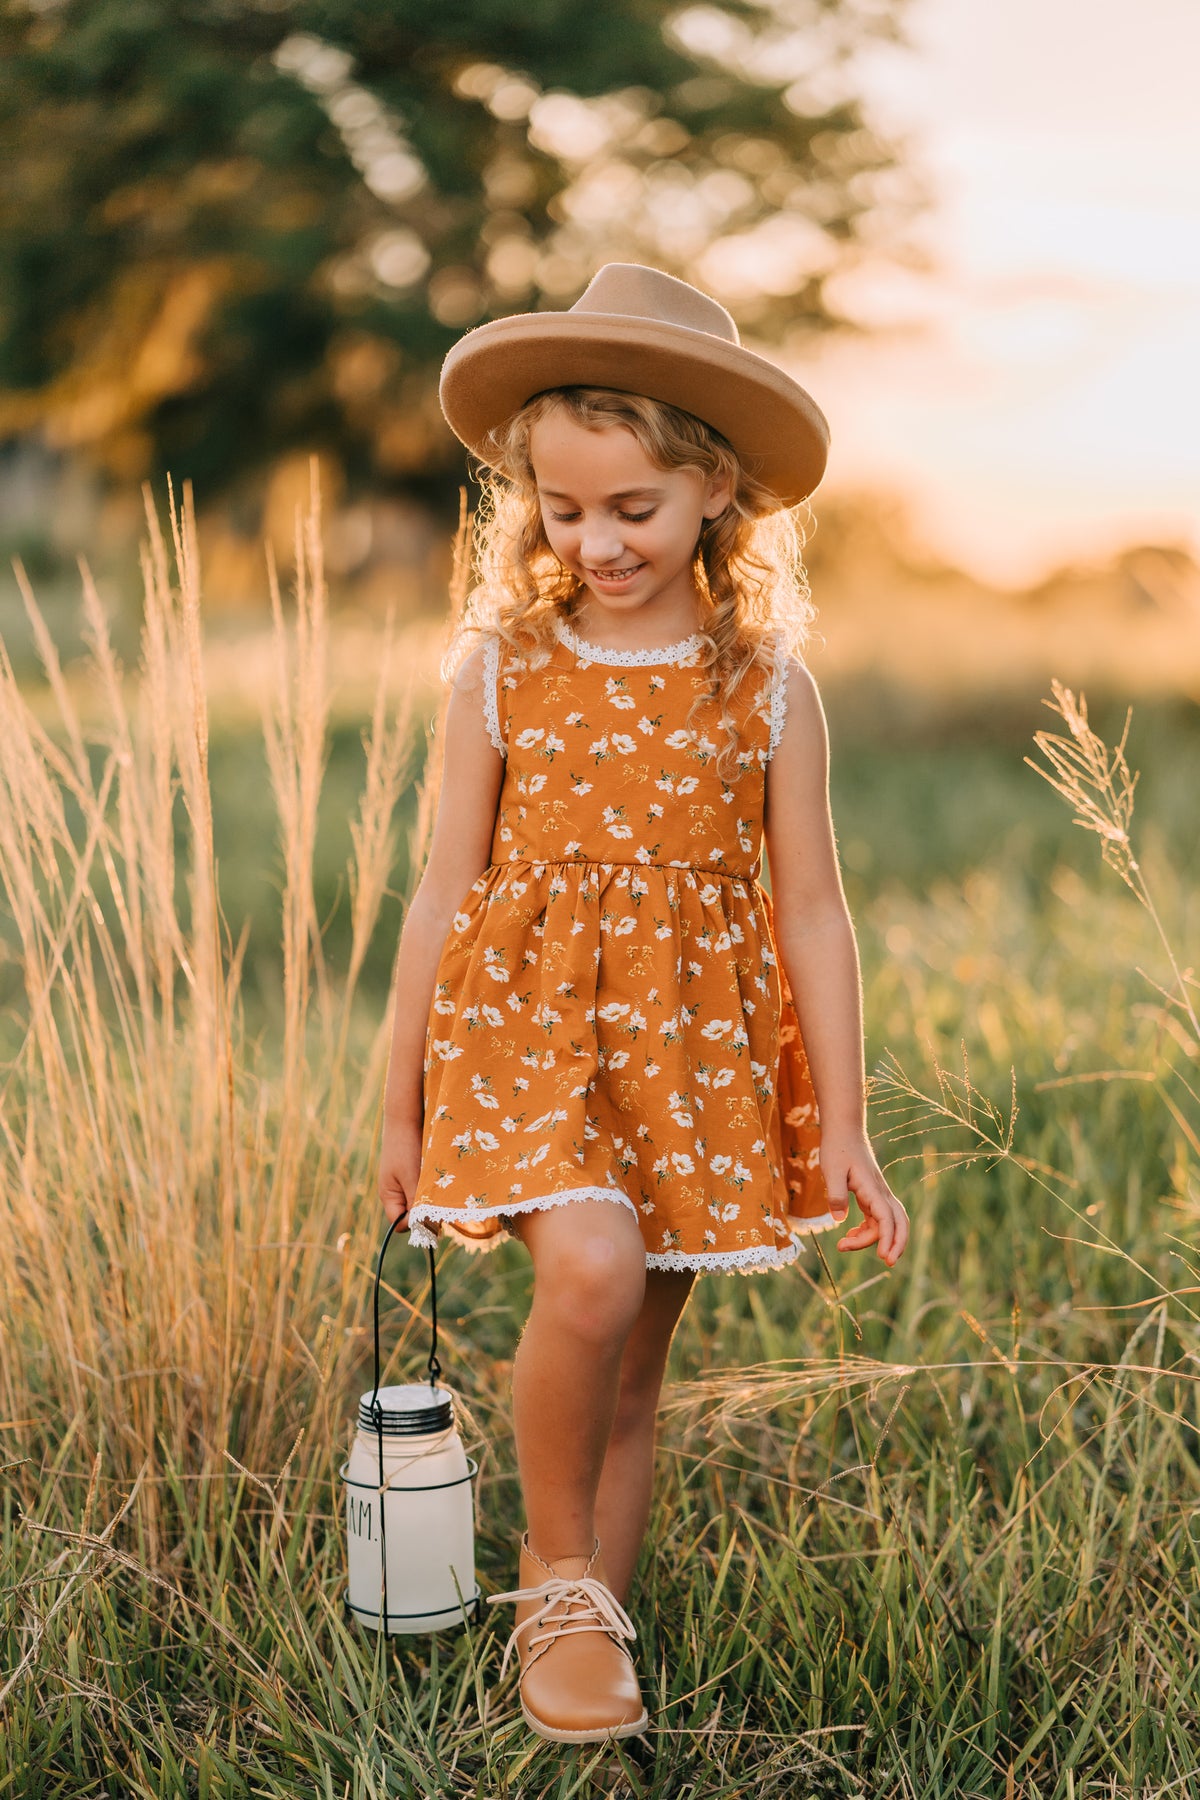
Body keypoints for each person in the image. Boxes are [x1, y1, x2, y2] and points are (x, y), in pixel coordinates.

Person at [378, 262, 909, 1745]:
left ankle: (587, 1663)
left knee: (633, 1368)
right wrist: (395, 1094)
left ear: (715, 493)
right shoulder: (503, 668)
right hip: (527, 1039)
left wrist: (844, 1121)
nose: (596, 543)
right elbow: (440, 891)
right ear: (529, 505)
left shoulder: (768, 686)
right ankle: (555, 1586)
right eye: (563, 510)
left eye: (633, 510)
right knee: (591, 1279)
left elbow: (813, 905)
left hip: (691, 1058)